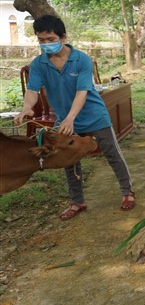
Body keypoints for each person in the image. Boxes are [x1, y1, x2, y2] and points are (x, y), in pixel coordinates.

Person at [14, 15, 136, 220]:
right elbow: (33, 89)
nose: (46, 44)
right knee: (69, 159)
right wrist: (27, 107)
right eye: (41, 40)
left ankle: (127, 192)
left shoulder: (81, 60)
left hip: (94, 116)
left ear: (63, 37)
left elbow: (82, 91)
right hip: (65, 118)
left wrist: (70, 118)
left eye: (50, 39)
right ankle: (77, 201)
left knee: (112, 154)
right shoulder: (39, 64)